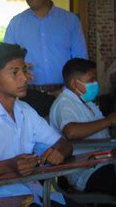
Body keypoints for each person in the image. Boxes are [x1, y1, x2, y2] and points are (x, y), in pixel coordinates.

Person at [0, 43, 73, 206]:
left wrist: (59, 152)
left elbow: (63, 144)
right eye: (15, 72)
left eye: (24, 70)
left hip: (32, 192)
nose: (24, 77)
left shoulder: (25, 111)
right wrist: (8, 166)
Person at [4, 0, 88, 117]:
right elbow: (6, 63)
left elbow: (81, 63)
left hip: (66, 96)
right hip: (29, 97)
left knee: (68, 134)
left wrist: (67, 91)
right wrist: (18, 69)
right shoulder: (16, 24)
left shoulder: (70, 21)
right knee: (33, 136)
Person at [49, 58, 116, 195]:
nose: (95, 83)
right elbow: (71, 132)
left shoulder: (87, 103)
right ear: (74, 84)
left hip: (105, 161)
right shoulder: (64, 104)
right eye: (91, 80)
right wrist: (109, 121)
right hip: (86, 170)